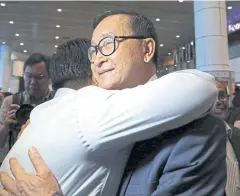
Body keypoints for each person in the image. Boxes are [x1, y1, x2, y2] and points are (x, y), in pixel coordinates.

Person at [0, 11, 224, 196]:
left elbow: (203, 86)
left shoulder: (198, 132)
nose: (98, 59)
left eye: (108, 44)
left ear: (147, 49)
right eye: (94, 51)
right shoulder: (86, 114)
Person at [0, 53, 54, 148]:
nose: (33, 82)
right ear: (23, 75)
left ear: (50, 78)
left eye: (39, 77)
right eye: (28, 76)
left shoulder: (57, 101)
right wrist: (5, 126)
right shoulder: (11, 102)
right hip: (17, 158)